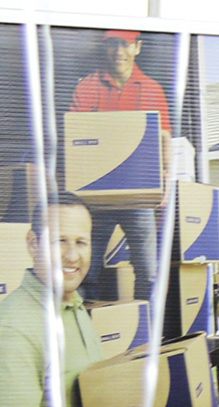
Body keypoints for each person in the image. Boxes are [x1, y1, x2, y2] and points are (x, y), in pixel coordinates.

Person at [0, 194, 109, 407]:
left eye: (81, 242)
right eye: (60, 241)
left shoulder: (74, 304)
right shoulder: (12, 329)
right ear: (33, 244)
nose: (73, 256)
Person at [70, 31, 173, 304]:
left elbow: (164, 139)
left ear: (137, 47)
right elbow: (75, 137)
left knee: (148, 272)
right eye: (112, 44)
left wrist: (165, 178)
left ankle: (146, 337)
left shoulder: (152, 89)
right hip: (97, 197)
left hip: (138, 196)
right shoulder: (87, 87)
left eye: (125, 44)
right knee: (86, 273)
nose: (119, 51)